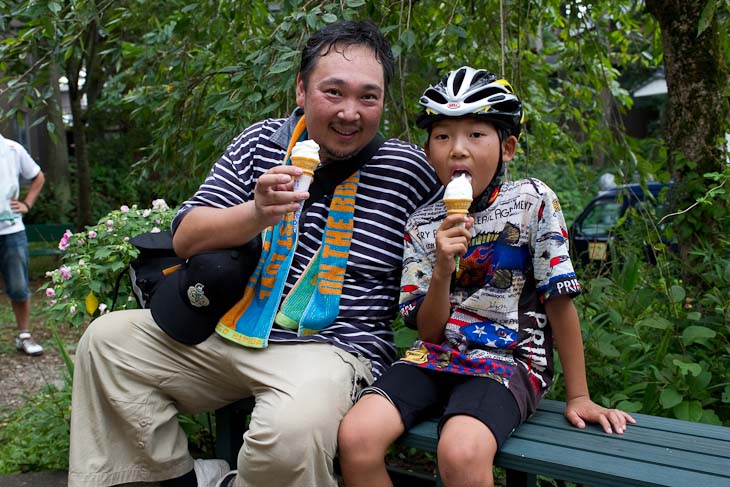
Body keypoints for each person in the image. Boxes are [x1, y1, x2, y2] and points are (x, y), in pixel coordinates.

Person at [68, 20, 440, 487]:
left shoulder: (409, 170)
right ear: (301, 90)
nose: (351, 112)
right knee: (106, 343)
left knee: (292, 430)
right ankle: (177, 478)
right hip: (230, 327)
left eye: (368, 96)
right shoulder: (261, 142)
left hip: (332, 348)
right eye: (334, 92)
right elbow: (185, 236)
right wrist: (256, 213)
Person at [337, 66, 636, 487]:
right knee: (355, 436)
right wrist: (442, 267)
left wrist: (579, 395)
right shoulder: (422, 224)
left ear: (507, 147)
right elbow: (429, 331)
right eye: (442, 136)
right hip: (435, 356)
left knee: (459, 453)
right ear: (428, 152)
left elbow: (559, 302)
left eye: (476, 135)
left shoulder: (533, 202)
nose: (457, 150)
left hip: (508, 362)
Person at [0, 134, 45, 356]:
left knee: (18, 286)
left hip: (11, 231)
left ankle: (24, 335)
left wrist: (27, 203)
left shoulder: (13, 149)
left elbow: (38, 177)